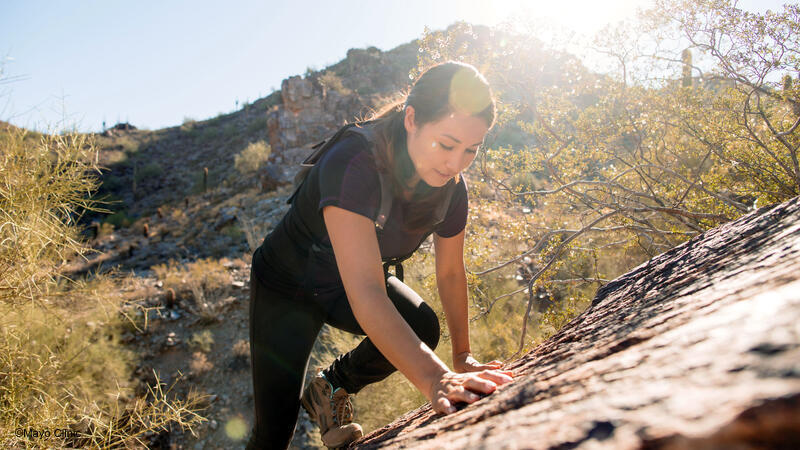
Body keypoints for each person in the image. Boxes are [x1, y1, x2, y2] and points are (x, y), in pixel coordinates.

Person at [247, 61, 514, 450]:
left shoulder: (451, 189)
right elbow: (369, 293)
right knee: (274, 432)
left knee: (421, 326)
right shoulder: (354, 161)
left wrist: (462, 356)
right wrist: (436, 380)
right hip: (286, 287)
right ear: (411, 119)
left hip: (344, 284)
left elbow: (451, 274)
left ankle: (331, 386)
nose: (455, 163)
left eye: (471, 149)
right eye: (446, 144)